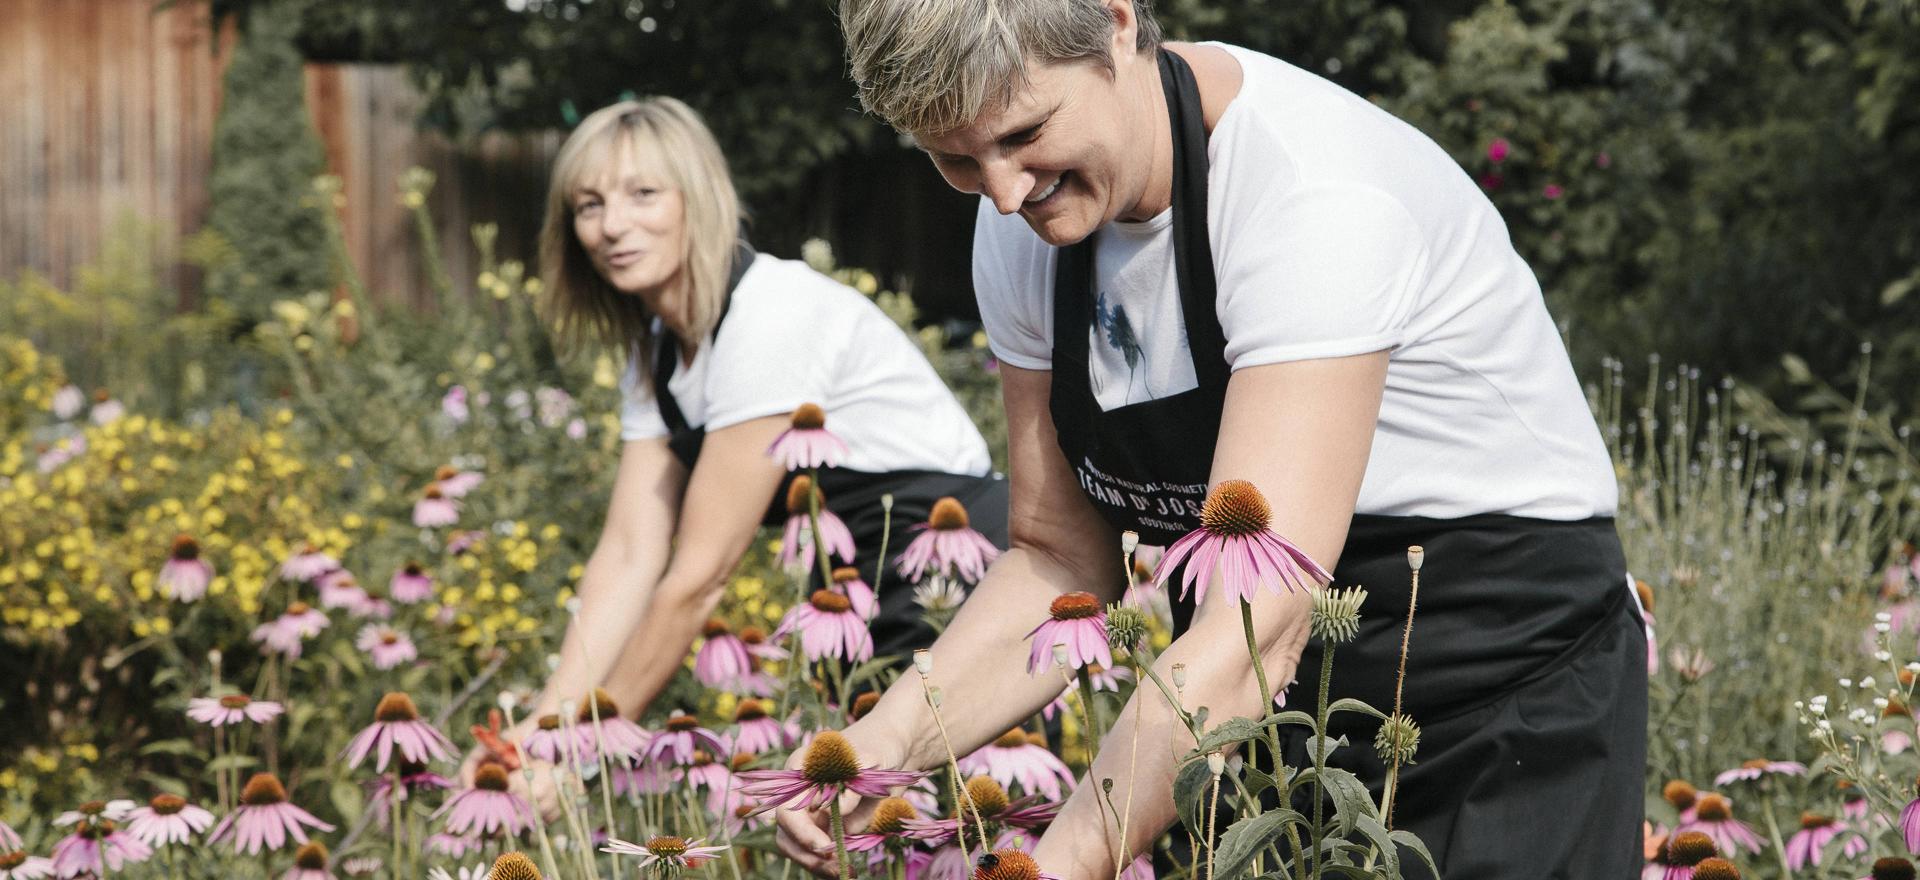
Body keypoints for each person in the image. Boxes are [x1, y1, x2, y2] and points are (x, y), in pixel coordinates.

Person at [772, 2, 1646, 877]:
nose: (1003, 193)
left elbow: (1258, 624)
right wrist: (880, 743)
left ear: (1117, 25)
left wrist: (1064, 862)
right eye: (954, 158)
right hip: (1265, 717)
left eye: (1025, 132)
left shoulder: (1310, 192)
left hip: (1499, 687)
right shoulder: (1024, 230)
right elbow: (1058, 557)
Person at [462, 97, 1008, 809]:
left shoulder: (769, 316)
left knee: (967, 830)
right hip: (850, 592)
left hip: (951, 577)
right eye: (588, 205)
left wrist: (583, 748)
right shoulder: (657, 351)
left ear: (699, 199)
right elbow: (628, 554)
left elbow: (700, 576)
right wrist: (539, 730)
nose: (611, 226)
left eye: (643, 194)